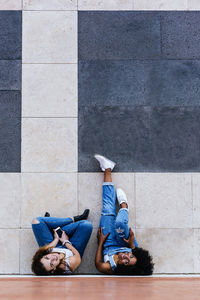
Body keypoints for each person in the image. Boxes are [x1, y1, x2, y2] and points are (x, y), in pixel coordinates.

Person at [94, 154, 154, 275]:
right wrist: (132, 246)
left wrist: (100, 242)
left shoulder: (110, 267)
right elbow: (131, 251)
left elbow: (98, 265)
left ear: (123, 268)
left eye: (126, 262)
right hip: (125, 242)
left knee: (108, 208)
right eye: (131, 257)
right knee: (120, 223)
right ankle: (124, 205)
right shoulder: (129, 251)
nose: (125, 257)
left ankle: (107, 168)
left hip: (108, 242)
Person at [31, 209, 93, 275]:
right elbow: (77, 256)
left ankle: (72, 219)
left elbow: (47, 249)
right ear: (53, 270)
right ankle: (53, 226)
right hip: (71, 248)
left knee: (36, 221)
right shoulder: (69, 264)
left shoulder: (41, 256)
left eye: (47, 257)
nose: (53, 258)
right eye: (51, 264)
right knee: (86, 225)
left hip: (53, 245)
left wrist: (56, 239)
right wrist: (65, 241)